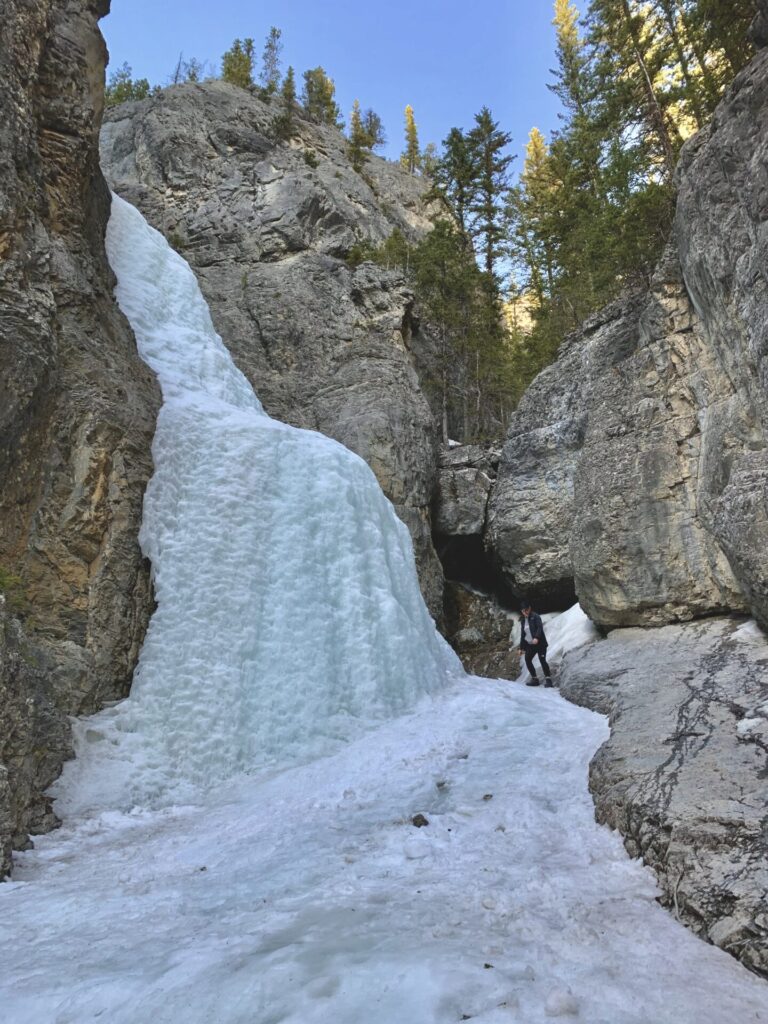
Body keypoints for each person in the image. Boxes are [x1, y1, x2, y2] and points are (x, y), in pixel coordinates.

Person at [513, 599, 553, 687]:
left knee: (542, 660)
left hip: (540, 644)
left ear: (529, 608)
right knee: (527, 659)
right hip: (531, 645)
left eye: (526, 610)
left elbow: (539, 628)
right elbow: (523, 635)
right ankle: (535, 679)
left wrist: (537, 637)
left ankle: (548, 679)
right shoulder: (523, 620)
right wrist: (521, 648)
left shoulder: (535, 616)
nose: (525, 612)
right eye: (523, 611)